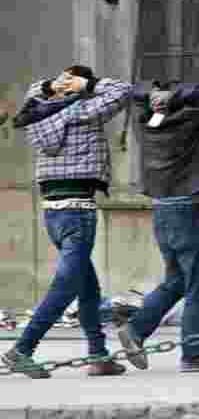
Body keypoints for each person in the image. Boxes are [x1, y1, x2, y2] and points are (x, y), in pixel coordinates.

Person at [4, 66, 132, 379]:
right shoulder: (85, 110)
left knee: (87, 286)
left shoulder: (39, 114)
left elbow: (32, 93)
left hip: (52, 211)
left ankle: (98, 354)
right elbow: (124, 92)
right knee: (66, 286)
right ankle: (22, 349)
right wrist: (90, 84)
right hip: (78, 209)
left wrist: (50, 86)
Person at [117, 81, 199, 373]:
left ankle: (135, 331)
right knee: (198, 284)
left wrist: (153, 96)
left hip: (161, 210)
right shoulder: (188, 120)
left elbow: (133, 91)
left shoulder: (145, 123)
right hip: (186, 210)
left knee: (176, 280)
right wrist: (176, 95)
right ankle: (192, 354)